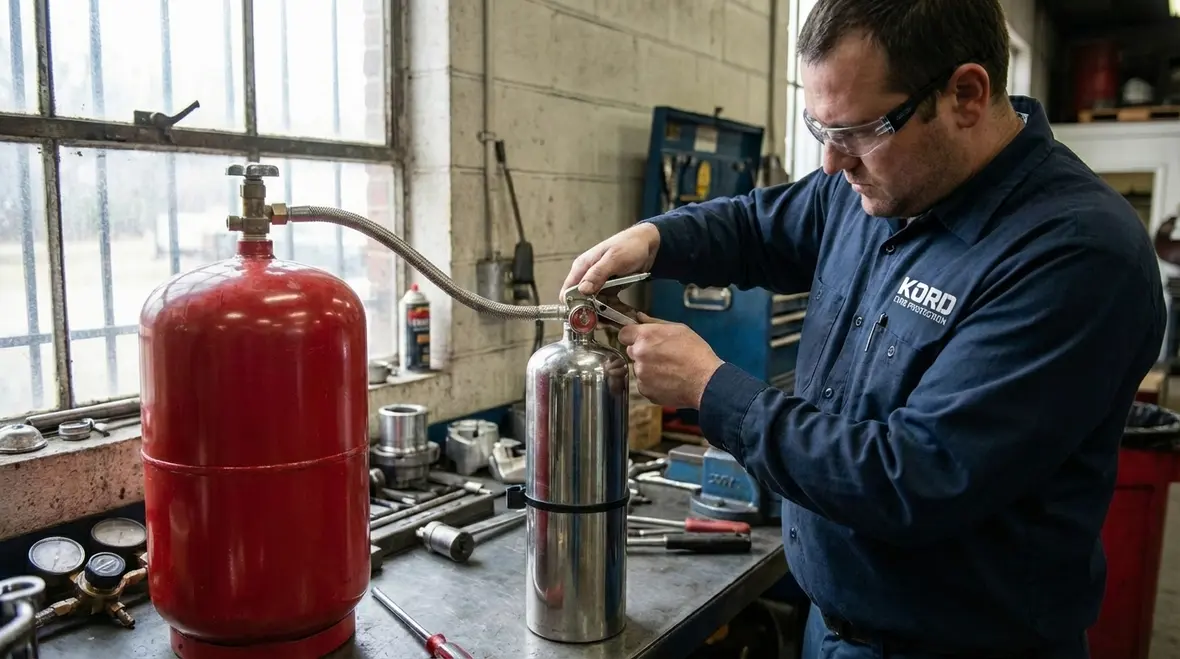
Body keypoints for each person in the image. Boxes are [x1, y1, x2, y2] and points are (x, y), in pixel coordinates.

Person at [562, 0, 1167, 657]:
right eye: (818, 128)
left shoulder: (1075, 256)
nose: (830, 163)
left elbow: (913, 478)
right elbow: (755, 225)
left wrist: (710, 388)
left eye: (855, 131)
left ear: (965, 94)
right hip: (830, 628)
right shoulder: (874, 186)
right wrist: (652, 238)